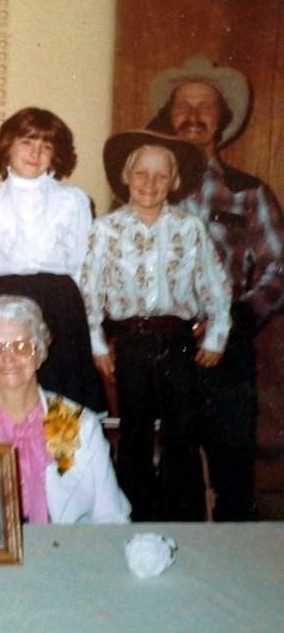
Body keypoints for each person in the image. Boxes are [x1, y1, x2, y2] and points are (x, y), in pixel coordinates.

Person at [147, 56, 284, 521]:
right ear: (168, 116)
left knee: (233, 476)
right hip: (164, 349)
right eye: (182, 106)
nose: (193, 115)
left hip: (227, 350)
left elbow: (278, 268)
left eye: (204, 106)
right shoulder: (144, 190)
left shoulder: (249, 193)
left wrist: (233, 320)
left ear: (221, 119)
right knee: (174, 477)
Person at [79, 131, 231, 522]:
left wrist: (216, 334)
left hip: (178, 339)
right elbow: (90, 290)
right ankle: (133, 516)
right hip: (130, 341)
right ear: (126, 177)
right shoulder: (106, 229)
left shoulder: (190, 228)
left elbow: (215, 283)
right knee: (135, 430)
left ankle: (183, 519)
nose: (150, 182)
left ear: (174, 181)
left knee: (182, 429)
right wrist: (97, 343)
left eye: (161, 175)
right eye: (141, 173)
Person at [0, 295, 131, 524]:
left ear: (39, 355)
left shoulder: (75, 422)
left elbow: (111, 515)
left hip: (70, 545)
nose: (8, 358)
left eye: (21, 346)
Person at [0, 108, 105, 413]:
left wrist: (93, 332)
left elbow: (84, 267)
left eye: (46, 146)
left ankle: (63, 444)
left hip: (61, 305)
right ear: (8, 147)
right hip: (8, 302)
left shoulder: (73, 200)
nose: (35, 153)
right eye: (27, 143)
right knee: (14, 392)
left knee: (62, 401)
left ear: (56, 154)